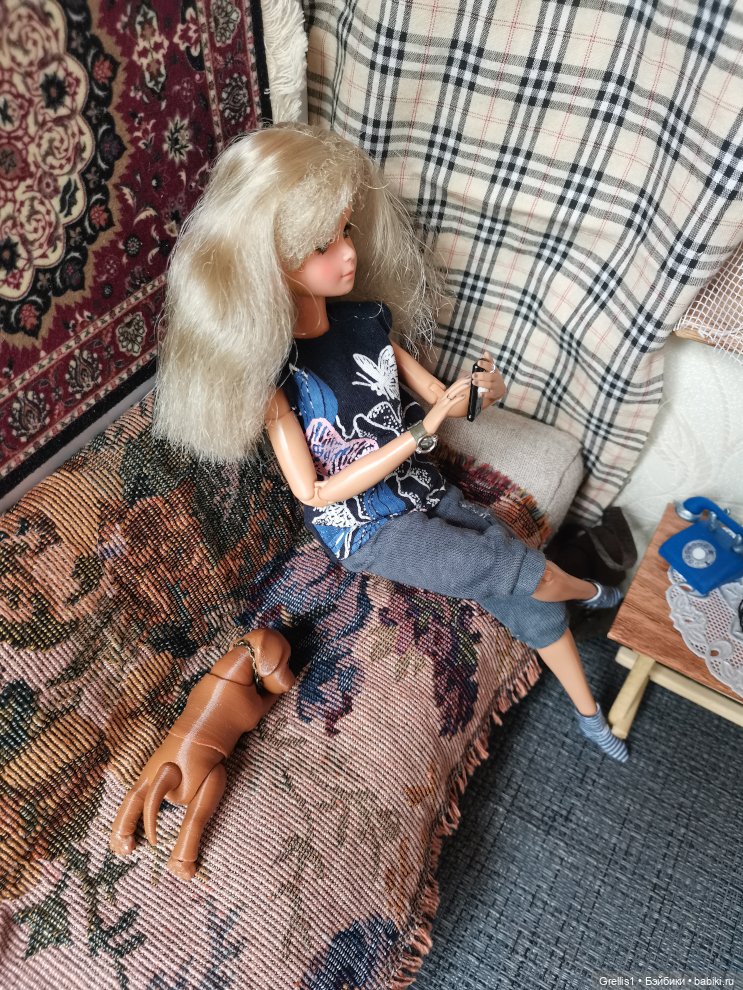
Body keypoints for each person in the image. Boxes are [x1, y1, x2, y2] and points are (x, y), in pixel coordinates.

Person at [154, 122, 628, 763]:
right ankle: (595, 593)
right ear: (271, 266)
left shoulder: (366, 321)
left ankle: (590, 717)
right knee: (512, 566)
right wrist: (420, 433)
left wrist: (481, 389)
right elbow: (314, 491)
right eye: (321, 246)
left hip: (421, 489)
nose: (348, 254)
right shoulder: (277, 375)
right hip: (369, 528)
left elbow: (441, 396)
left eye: (345, 231)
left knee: (529, 602)